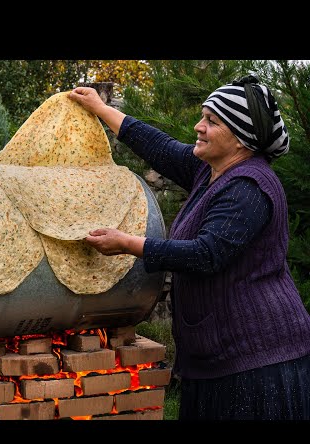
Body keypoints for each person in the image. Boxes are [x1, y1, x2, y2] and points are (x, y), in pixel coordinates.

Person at [68, 76, 310, 420]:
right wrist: (101, 108)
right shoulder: (210, 169)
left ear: (242, 138)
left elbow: (206, 255)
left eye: (212, 121)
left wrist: (128, 244)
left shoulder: (249, 187)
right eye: (202, 116)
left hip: (257, 362)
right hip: (221, 357)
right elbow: (159, 147)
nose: (199, 127)